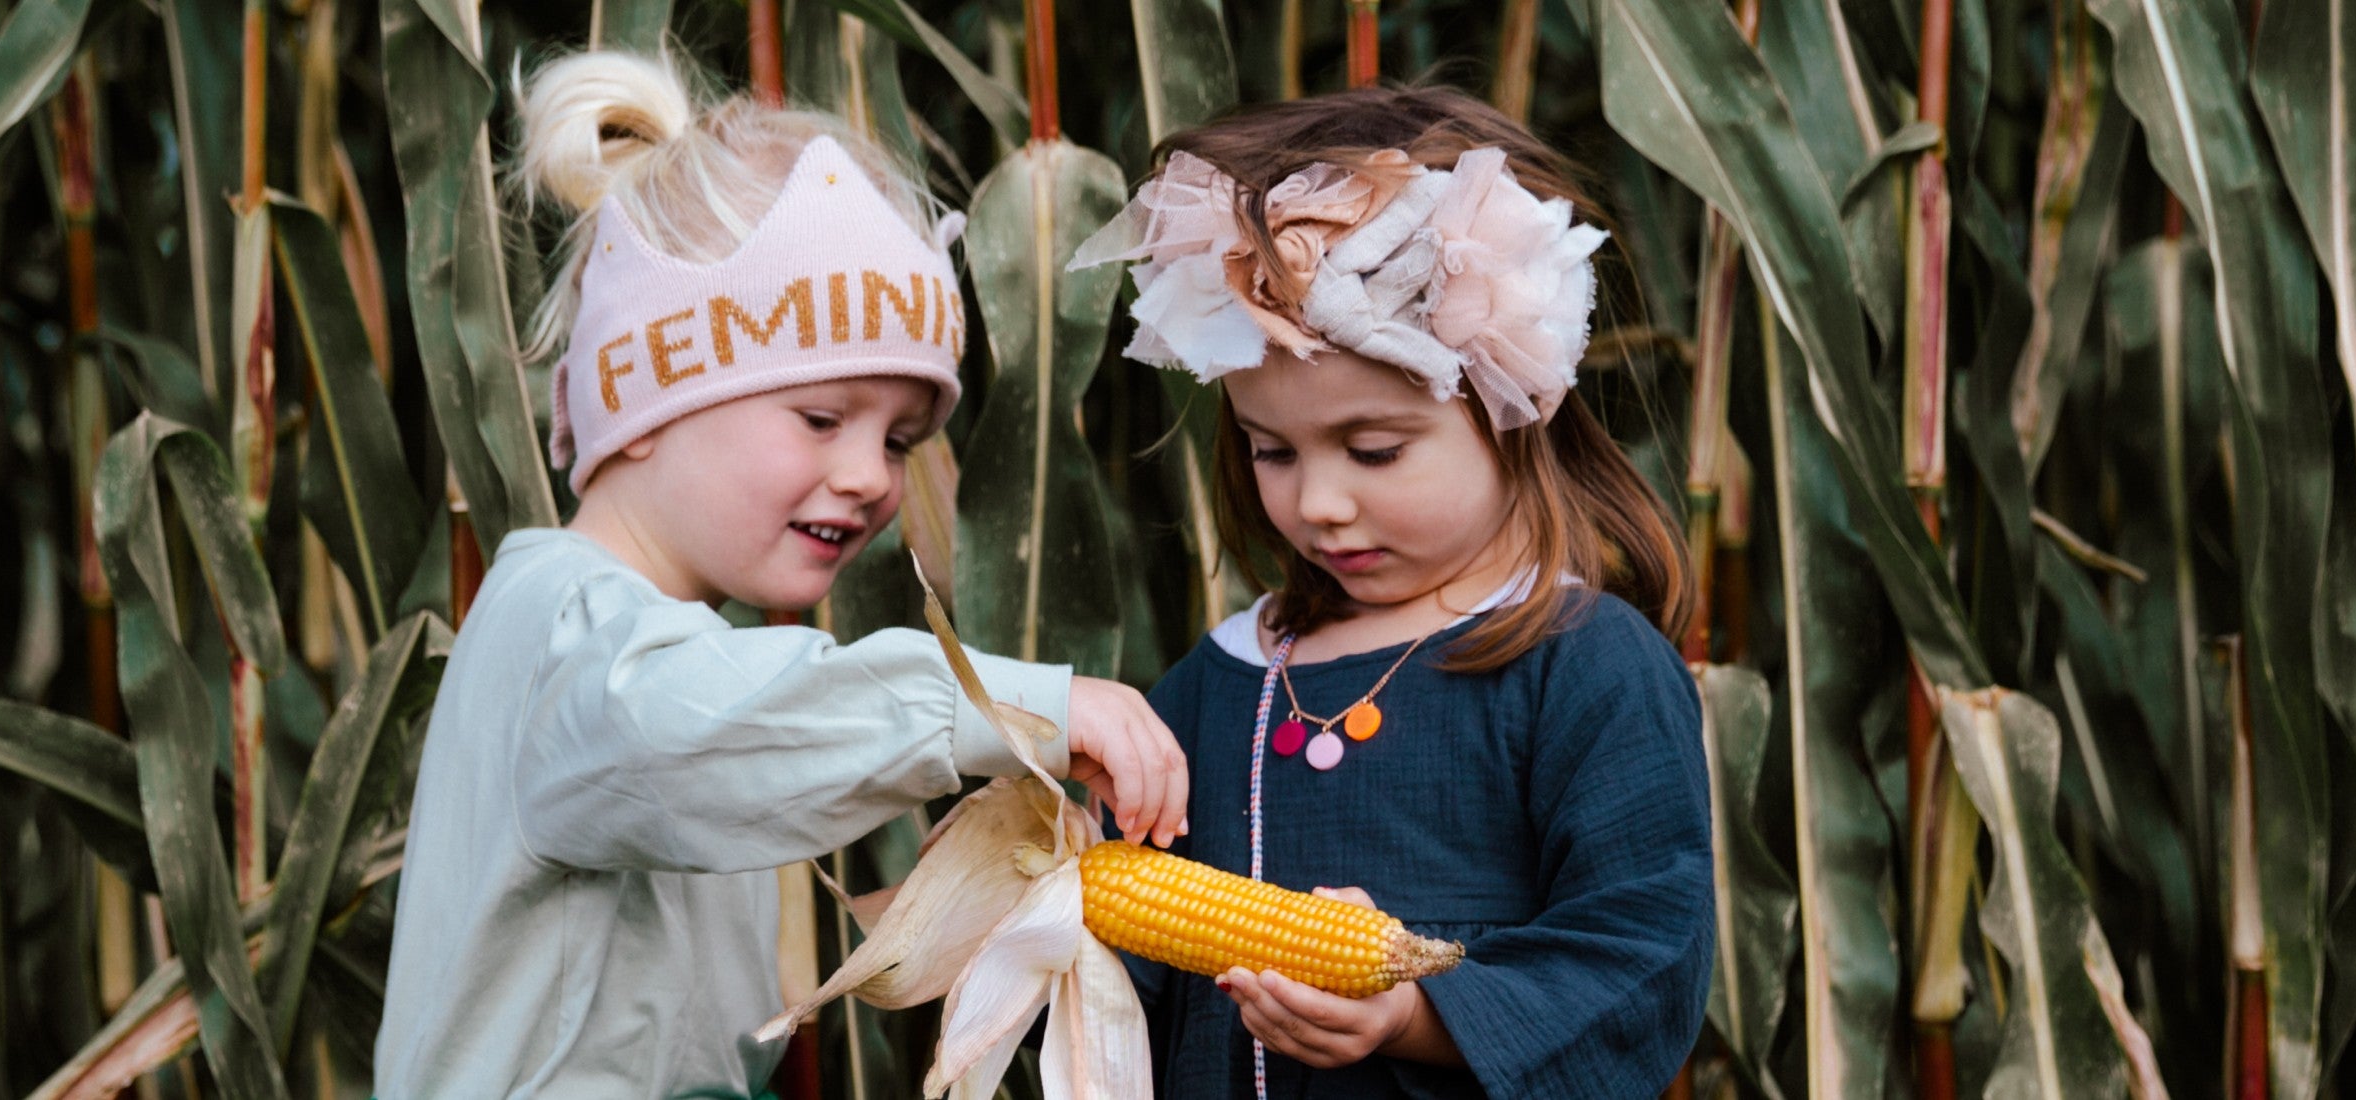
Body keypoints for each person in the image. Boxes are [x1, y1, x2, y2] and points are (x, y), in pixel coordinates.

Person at [371, 51, 1188, 1099]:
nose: (867, 477)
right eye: (819, 417)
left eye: (900, 438)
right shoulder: (564, 629)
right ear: (651, 398)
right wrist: (1019, 708)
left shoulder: (661, 640)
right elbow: (702, 732)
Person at [1071, 84, 1712, 1098]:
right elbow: (1126, 986)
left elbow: (1642, 961)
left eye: (1374, 449)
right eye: (1270, 448)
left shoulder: (1585, 665)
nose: (1319, 501)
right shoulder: (1214, 682)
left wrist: (1416, 1016)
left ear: (1511, 408)